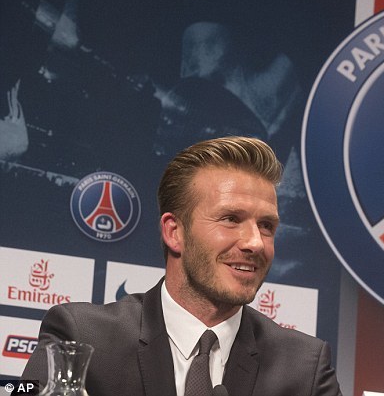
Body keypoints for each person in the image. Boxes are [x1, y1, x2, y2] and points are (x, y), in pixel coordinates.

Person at [21, 136, 342, 396]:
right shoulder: (82, 335)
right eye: (231, 219)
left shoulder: (304, 369)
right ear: (175, 232)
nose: (256, 243)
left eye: (267, 226)